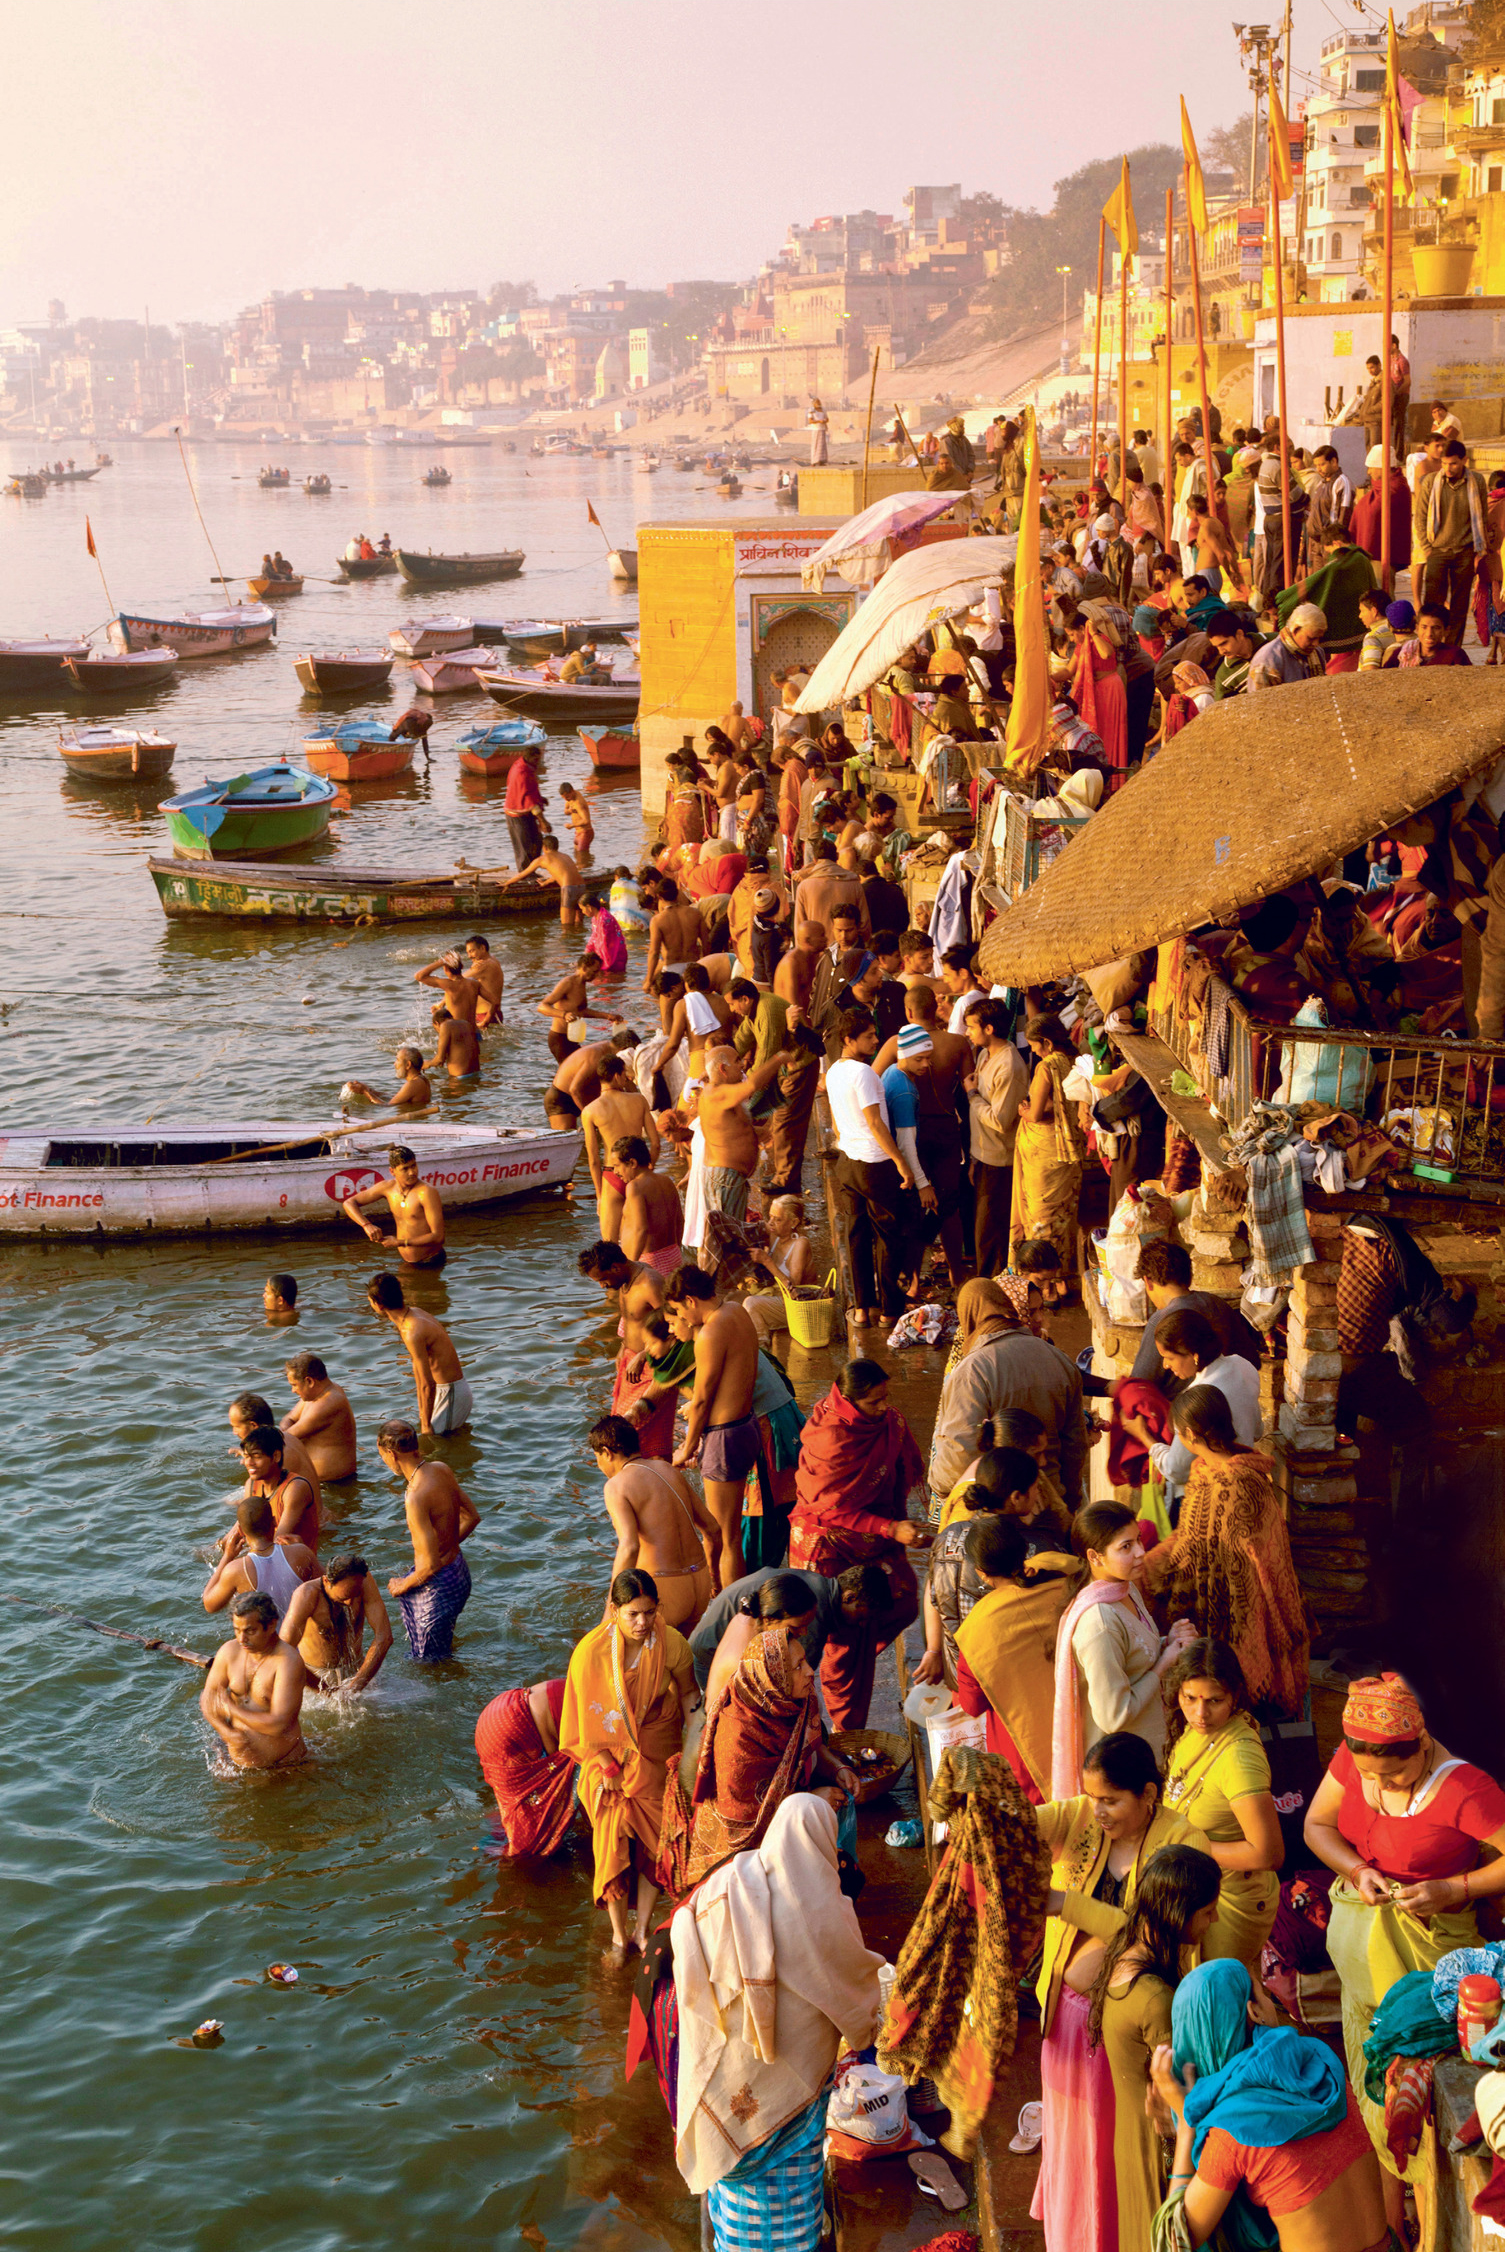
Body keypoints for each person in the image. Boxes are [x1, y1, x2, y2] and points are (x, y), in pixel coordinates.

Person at [1304, 1672, 1505, 2239]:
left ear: (1421, 1746)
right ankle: (1390, 2224)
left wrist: (1456, 1888)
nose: (1379, 1784)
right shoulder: (1353, 1757)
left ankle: (1434, 2226)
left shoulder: (1464, 1789)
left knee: (1418, 2087)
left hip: (1424, 1962)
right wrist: (1357, 1868)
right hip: (1360, 1970)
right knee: (1373, 2091)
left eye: (1393, 1773)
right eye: (1368, 1774)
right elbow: (1317, 1825)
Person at [1030, 1737, 1215, 2252]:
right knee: (1075, 2136)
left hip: (1127, 2029)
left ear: (1148, 1794)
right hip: (1066, 2018)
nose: (1098, 1811)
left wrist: (1065, 1903)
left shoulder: (1184, 1843)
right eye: (1091, 1797)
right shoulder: (1084, 1818)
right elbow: (1020, 1822)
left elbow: (1153, 1930)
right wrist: (981, 1802)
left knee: (1117, 2142)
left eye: (1110, 1800)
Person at [669, 1796, 883, 2235]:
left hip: (724, 2065)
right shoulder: (822, 1911)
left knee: (733, 2188)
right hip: (784, 2079)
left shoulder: (734, 1879)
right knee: (784, 2197)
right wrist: (870, 2038)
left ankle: (724, 2237)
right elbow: (854, 1995)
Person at [1150, 1957, 1388, 2252]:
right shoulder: (1322, 2064)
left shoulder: (1233, 2130)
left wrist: (1187, 2128)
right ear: (1254, 2011)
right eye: (1266, 1993)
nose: (1272, 2001)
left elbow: (1174, 2244)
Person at [1142, 1387, 1309, 1722]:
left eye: (1178, 1434)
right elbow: (1195, 1537)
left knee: (1229, 1689)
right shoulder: (1210, 1470)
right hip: (1226, 1596)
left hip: (1238, 1605)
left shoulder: (1234, 1483)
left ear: (1189, 1434)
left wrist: (1149, 1568)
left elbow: (1220, 1553)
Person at [559, 1568, 697, 1961]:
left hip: (656, 1740)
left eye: (650, 1612)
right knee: (612, 1835)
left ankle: (642, 1928)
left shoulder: (671, 1644)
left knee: (661, 1836)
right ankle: (619, 1934)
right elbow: (584, 1721)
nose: (642, 1623)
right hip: (606, 1758)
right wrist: (609, 1768)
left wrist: (695, 1750)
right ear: (614, 1609)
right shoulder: (590, 1653)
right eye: (633, 1613)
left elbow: (689, 1695)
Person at [789, 1359, 929, 1730]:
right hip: (829, 1544)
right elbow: (831, 1509)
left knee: (903, 1599)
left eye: (885, 1398)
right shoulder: (830, 1439)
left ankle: (861, 1656)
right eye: (873, 1402)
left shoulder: (885, 1423)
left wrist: (899, 1525)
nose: (884, 1408)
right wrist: (890, 1528)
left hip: (875, 1534)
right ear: (849, 1402)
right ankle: (844, 1728)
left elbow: (902, 1469)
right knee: (844, 1644)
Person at [677, 1622, 855, 1889]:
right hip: (740, 1858)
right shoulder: (737, 1738)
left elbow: (812, 1746)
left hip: (787, 1817)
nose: (810, 1673)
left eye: (806, 1661)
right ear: (773, 1678)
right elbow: (747, 1825)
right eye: (798, 1667)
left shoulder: (795, 1700)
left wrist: (837, 1769)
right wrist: (809, 1802)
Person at [1053, 1501, 1194, 1792]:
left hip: (1148, 1754)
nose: (1141, 1552)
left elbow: (1138, 1653)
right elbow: (1113, 1715)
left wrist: (1171, 1641)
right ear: (1095, 1557)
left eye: (1138, 1540)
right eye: (1126, 1547)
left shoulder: (1125, 1590)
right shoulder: (1099, 1623)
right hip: (1123, 1773)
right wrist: (1166, 1661)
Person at [1161, 1638, 1281, 1972]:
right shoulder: (1192, 1731)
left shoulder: (1239, 1757)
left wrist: (1188, 1844)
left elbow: (1268, 1855)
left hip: (1229, 1902)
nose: (1200, 1713)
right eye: (1190, 1698)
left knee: (1218, 2003)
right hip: (1194, 1891)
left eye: (1214, 1701)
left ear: (1235, 1697)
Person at [929, 1278, 1088, 1506]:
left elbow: (958, 1454)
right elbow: (1075, 1445)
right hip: (1051, 1500)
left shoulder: (973, 1371)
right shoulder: (1057, 1357)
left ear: (969, 1316)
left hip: (998, 1508)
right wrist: (1069, 1499)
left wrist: (940, 1487)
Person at [953, 1513, 1078, 1803]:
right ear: (1025, 1550)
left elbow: (971, 1705)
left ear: (982, 1572)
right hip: (1081, 1724)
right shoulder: (1066, 1584)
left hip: (1022, 1751)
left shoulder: (976, 1628)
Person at [665, 1265, 759, 1589]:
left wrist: (687, 1448)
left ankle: (730, 1609)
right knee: (732, 1531)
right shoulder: (738, 1310)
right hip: (747, 1427)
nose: (682, 1319)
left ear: (690, 1301)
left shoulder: (708, 1333)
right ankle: (732, 1601)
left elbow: (703, 1399)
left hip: (725, 1437)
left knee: (725, 1537)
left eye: (678, 1310)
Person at [1118, 1308, 1262, 1519]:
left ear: (1194, 1355)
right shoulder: (1243, 1366)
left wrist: (1144, 1436)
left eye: (1170, 1358)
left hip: (1203, 1499)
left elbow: (1175, 1470)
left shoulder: (1196, 1399)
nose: (1165, 1366)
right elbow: (1257, 1430)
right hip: (1243, 1483)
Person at [825, 1005, 915, 1327]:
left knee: (858, 1236)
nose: (876, 1041)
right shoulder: (862, 1073)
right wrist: (900, 1162)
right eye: (868, 1036)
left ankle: (863, 1309)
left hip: (847, 1162)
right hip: (873, 1164)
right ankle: (890, 1311)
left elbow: (836, 1121)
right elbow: (875, 1122)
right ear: (849, 1040)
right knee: (888, 1236)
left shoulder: (834, 1071)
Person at [589, 1412, 715, 1633]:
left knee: (638, 1661)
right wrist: (715, 1578)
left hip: (664, 1588)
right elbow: (713, 1528)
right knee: (682, 1661)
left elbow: (629, 1546)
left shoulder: (616, 1485)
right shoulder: (668, 1469)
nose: (599, 1466)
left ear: (607, 1453)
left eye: (597, 1458)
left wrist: (612, 1606)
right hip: (700, 1581)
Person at [686, 1563, 884, 1695]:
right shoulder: (811, 1613)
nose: (862, 1625)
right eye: (862, 1617)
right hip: (708, 1659)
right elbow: (790, 1684)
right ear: (849, 1597)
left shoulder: (816, 1587)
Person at [377, 1419, 479, 1661]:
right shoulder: (441, 1468)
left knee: (427, 1664)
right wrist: (448, 1548)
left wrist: (402, 1584)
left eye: (382, 1455)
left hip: (439, 1586)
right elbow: (472, 1517)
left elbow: (430, 1566)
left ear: (391, 1453)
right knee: (442, 1652)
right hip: (459, 1574)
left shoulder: (415, 1496)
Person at [579, 1240, 682, 1460]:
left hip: (654, 1366)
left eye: (603, 1279)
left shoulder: (649, 1283)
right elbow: (632, 1320)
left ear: (616, 1267)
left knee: (645, 1435)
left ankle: (660, 1484)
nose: (602, 1286)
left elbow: (675, 1324)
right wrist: (623, 1349)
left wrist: (643, 1355)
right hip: (630, 1364)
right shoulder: (625, 1282)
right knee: (621, 1434)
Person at [1009, 1013, 1086, 1276]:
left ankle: (1048, 1282)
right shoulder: (1075, 1060)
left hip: (1044, 1152)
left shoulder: (1046, 1067)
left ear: (1047, 1043)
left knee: (1041, 1218)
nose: (1034, 1052)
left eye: (1034, 1046)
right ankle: (1062, 1276)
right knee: (1063, 1216)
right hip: (1068, 1149)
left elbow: (1036, 1112)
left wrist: (1023, 1110)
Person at [1130, 1240, 1263, 1390]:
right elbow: (1252, 1362)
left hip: (1186, 1409)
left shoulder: (1161, 1321)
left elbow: (1138, 1387)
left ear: (1148, 1281)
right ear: (1189, 1275)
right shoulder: (1216, 1303)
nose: (1166, 1364)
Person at [199, 1592, 309, 1771]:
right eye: (237, 1630)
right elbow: (208, 1697)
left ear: (272, 1624)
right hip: (236, 1766)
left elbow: (279, 1724)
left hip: (285, 1766)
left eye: (250, 1631)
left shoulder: (287, 1662)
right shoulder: (229, 1651)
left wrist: (231, 1708)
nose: (242, 1639)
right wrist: (226, 1733)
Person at [473, 1680, 577, 1858]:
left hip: (500, 1710)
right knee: (531, 1846)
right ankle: (494, 1854)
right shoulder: (610, 1717)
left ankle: (497, 1832)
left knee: (523, 1804)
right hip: (515, 1729)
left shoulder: (592, 1677)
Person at [963, 998, 1029, 1279]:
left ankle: (993, 1287)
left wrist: (972, 1096)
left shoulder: (1009, 1066)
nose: (968, 1033)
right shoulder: (984, 1055)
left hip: (999, 1159)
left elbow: (1001, 1121)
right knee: (983, 1228)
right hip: (981, 1153)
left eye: (971, 1027)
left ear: (989, 1028)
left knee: (991, 1231)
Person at [366, 1270, 471, 1435]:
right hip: (451, 1393)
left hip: (451, 1395)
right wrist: (424, 1415)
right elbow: (420, 1373)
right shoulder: (413, 1314)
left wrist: (426, 1423)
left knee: (432, 1448)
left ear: (379, 1305)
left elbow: (427, 1384)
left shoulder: (411, 1330)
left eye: (371, 1301)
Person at [1413, 436, 1491, 646]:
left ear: (1464, 460)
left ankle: (1452, 649)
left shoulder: (1476, 482)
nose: (1448, 468)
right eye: (1445, 463)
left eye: (1453, 463)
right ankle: (1430, 646)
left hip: (1465, 551)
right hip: (1437, 550)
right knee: (1433, 604)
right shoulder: (1431, 481)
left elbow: (1482, 517)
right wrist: (1428, 549)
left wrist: (1479, 550)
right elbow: (1420, 518)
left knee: (1459, 604)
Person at [279, 1553, 394, 1694]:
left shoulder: (364, 1580)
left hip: (359, 1670)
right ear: (326, 1581)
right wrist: (326, 1690)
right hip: (318, 1679)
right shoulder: (307, 1595)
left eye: (355, 1595)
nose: (349, 1603)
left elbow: (384, 1637)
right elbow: (284, 1650)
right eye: (343, 1597)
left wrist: (356, 1685)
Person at [580, 1052, 659, 1242]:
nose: (627, 1078)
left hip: (612, 1176)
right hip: (638, 1172)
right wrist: (648, 1170)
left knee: (611, 1244)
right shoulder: (639, 1100)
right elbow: (655, 1144)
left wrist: (600, 1195)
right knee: (644, 1240)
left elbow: (593, 1160)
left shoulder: (590, 1111)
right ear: (616, 1075)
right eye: (624, 1073)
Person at [202, 1495, 315, 1621]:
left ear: (240, 1530)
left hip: (264, 1638)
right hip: (300, 1636)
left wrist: (227, 1556)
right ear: (274, 1521)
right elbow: (327, 1585)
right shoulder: (300, 1552)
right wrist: (302, 1547)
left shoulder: (236, 1570)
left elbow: (209, 1604)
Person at [342, 1146, 446, 1269]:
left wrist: (399, 1242)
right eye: (405, 1169)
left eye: (414, 1166)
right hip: (408, 1263)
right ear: (392, 1171)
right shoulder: (387, 1188)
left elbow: (438, 1237)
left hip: (431, 1261)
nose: (412, 1172)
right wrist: (367, 1225)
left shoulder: (426, 1192)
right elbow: (349, 1203)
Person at [234, 1424, 321, 1557]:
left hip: (295, 1564)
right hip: (265, 1555)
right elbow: (240, 1528)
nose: (248, 1462)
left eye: (256, 1456)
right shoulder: (251, 1485)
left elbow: (277, 1542)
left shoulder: (295, 1488)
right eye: (246, 1456)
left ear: (276, 1456)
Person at [740, 1192, 815, 1344]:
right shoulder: (775, 1235)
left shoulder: (800, 1244)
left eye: (778, 1219)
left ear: (793, 1222)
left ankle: (762, 1346)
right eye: (770, 1217)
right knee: (732, 1299)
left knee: (750, 1304)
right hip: (776, 1296)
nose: (771, 1223)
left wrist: (767, 1261)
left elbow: (793, 1287)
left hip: (798, 1305)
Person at [281, 1351, 357, 1483]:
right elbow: (288, 1419)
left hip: (334, 1486)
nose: (293, 1391)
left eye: (294, 1385)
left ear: (309, 1381)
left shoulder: (330, 1402)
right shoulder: (313, 1396)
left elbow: (286, 1437)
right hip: (317, 1482)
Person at [614, 1137, 684, 1275]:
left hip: (649, 1261)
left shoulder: (635, 1186)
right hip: (673, 1254)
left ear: (632, 1163)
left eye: (617, 1165)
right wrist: (677, 1249)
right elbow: (679, 1220)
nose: (615, 1172)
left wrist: (630, 1267)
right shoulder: (666, 1180)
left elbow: (641, 1229)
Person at [507, 832, 585, 928]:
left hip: (569, 889)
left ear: (545, 847)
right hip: (581, 887)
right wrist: (546, 882)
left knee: (567, 927)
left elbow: (522, 874)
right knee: (579, 924)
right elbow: (562, 874)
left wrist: (507, 883)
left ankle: (569, 942)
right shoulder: (566, 856)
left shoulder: (542, 859)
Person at [1247, 603, 1325, 689]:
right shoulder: (1267, 660)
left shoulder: (1317, 652)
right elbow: (1260, 700)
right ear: (1295, 630)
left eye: (1319, 638)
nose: (1316, 643)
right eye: (1311, 638)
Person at [342, 1046, 431, 1113]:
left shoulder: (413, 1084)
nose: (394, 1064)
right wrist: (369, 1090)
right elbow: (396, 1098)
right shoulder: (421, 1079)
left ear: (408, 1065)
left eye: (397, 1060)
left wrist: (365, 1092)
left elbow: (386, 1106)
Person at [414, 949, 480, 1033]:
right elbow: (494, 1001)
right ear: (462, 966)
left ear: (445, 968)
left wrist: (442, 961)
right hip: (475, 1032)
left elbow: (419, 976)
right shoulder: (474, 983)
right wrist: (441, 1003)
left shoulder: (449, 985)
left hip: (458, 1033)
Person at [504, 742, 546, 871]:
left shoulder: (525, 766)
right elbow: (530, 802)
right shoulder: (522, 772)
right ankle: (525, 874)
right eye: (536, 759)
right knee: (525, 846)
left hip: (525, 811)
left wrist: (540, 799)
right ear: (529, 757)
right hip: (516, 813)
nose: (538, 762)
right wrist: (544, 822)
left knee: (537, 841)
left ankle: (531, 870)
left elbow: (528, 792)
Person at [426, 1004, 479, 1082]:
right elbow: (477, 1050)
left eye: (436, 1029)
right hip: (477, 1074)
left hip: (460, 1078)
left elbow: (439, 1059)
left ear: (437, 1023)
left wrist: (426, 1064)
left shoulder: (445, 1025)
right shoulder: (466, 1024)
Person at [462, 934, 504, 1029]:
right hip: (494, 1014)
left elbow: (457, 979)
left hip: (485, 1016)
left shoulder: (484, 966)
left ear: (482, 948)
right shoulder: (493, 960)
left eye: (472, 951)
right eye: (468, 953)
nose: (469, 956)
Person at [806, 396, 829, 467]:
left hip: (822, 428)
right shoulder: (811, 410)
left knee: (822, 446)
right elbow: (810, 420)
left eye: (819, 402)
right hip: (816, 429)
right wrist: (819, 421)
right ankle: (814, 461)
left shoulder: (823, 409)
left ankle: (821, 461)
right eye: (817, 402)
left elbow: (827, 419)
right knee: (815, 445)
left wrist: (824, 421)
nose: (819, 403)